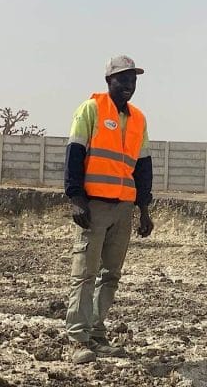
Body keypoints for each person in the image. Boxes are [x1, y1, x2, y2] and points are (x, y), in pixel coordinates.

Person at [63, 55, 155, 364]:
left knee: (110, 275)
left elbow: (143, 167)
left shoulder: (139, 119)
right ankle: (76, 339)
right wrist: (76, 198)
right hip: (94, 206)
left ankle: (96, 333)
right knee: (85, 274)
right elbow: (75, 154)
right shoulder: (91, 110)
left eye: (133, 80)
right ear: (109, 81)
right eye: (123, 79)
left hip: (123, 207)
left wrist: (143, 209)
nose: (129, 85)